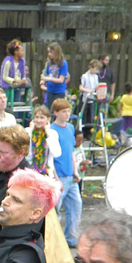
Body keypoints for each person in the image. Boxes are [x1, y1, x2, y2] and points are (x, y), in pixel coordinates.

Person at [51, 98, 81, 247]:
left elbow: (72, 151)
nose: (67, 114)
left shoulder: (70, 128)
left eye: (68, 111)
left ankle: (71, 238)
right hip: (59, 176)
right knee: (56, 210)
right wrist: (55, 178)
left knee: (76, 206)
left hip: (71, 175)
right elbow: (50, 158)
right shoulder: (51, 130)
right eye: (63, 111)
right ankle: (55, 241)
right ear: (55, 113)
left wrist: (75, 171)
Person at [26, 106, 60, 177]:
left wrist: (47, 133)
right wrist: (31, 130)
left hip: (46, 173)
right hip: (30, 172)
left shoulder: (52, 133)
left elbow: (56, 153)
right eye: (37, 117)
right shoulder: (27, 131)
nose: (38, 120)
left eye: (42, 117)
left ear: (48, 119)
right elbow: (24, 151)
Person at [0, 40, 30, 106]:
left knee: (17, 103)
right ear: (16, 52)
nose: (23, 53)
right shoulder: (8, 62)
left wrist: (23, 80)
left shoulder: (22, 62)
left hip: (18, 87)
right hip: (9, 87)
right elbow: (4, 77)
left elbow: (23, 74)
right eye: (21, 51)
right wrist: (15, 81)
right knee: (9, 104)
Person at [40, 43, 68, 109]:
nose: (49, 54)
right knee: (48, 109)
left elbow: (61, 80)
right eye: (48, 52)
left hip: (59, 91)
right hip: (50, 90)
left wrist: (48, 79)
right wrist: (43, 81)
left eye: (51, 52)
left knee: (58, 109)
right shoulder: (49, 63)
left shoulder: (63, 63)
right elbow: (46, 74)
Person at [78, 59, 101, 138]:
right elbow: (81, 87)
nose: (96, 71)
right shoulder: (85, 76)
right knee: (83, 116)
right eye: (95, 69)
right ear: (90, 67)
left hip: (92, 99)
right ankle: (83, 133)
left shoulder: (96, 76)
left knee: (90, 116)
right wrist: (88, 91)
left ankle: (88, 134)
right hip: (85, 98)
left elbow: (97, 86)